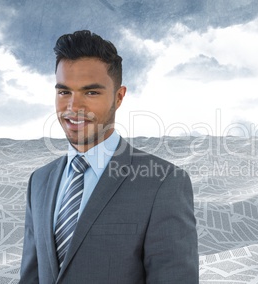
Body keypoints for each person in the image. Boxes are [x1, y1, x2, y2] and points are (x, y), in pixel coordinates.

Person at [19, 30, 199, 283]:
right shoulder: (39, 181)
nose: (73, 107)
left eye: (91, 93)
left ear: (119, 96)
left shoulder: (163, 182)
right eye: (64, 92)